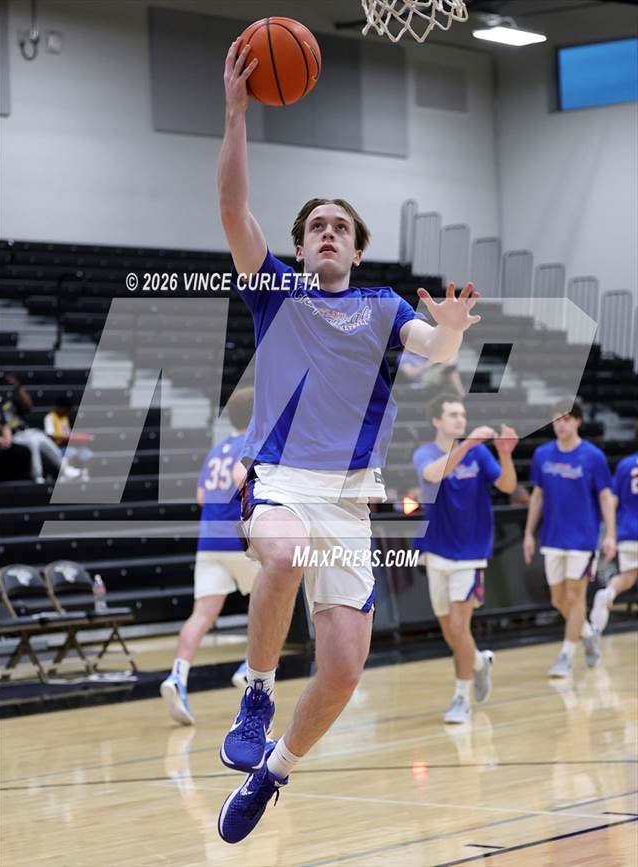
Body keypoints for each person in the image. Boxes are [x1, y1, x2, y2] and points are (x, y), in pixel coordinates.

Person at [214, 40, 482, 844]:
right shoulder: (277, 291)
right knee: (283, 552)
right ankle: (256, 690)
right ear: (300, 248)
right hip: (283, 481)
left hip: (351, 499)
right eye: (316, 226)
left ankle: (275, 772)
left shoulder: (383, 305)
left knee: (341, 671)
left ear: (357, 249)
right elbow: (233, 212)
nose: (327, 233)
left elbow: (432, 353)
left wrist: (454, 334)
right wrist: (236, 112)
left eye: (340, 227)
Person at [413, 394, 518, 724]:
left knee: (460, 627)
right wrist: (468, 443)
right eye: (453, 414)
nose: (460, 419)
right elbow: (433, 475)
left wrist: (504, 454)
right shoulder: (426, 453)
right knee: (451, 634)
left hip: (471, 554)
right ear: (436, 421)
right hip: (436, 551)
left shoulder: (479, 453)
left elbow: (508, 484)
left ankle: (461, 697)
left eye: (462, 414)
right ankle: (478, 662)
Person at [160, 387, 258, 725]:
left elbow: (202, 495)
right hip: (237, 539)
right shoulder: (250, 445)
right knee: (273, 598)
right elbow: (239, 479)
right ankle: (250, 666)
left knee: (202, 614)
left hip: (209, 540)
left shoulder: (218, 448)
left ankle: (177, 676)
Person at [523, 398, 616, 677]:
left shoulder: (593, 456)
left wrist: (610, 534)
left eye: (566, 419)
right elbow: (537, 495)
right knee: (557, 599)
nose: (560, 425)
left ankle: (566, 654)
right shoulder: (542, 455)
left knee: (576, 598)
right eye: (556, 419)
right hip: (552, 537)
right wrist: (529, 533)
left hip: (583, 539)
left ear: (577, 421)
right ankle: (587, 634)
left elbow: (605, 496)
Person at [590, 448, 637, 633]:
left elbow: (611, 500)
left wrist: (610, 533)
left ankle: (609, 592)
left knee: (628, 576)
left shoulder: (625, 464)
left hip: (627, 530)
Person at [0, 375, 79, 483]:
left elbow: (28, 406)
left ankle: (64, 469)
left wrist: (17, 386)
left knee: (41, 437)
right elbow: (4, 427)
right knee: (33, 442)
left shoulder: (8, 402)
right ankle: (37, 476)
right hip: (13, 437)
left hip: (25, 431)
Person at [44, 394, 94, 480]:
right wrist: (68, 438)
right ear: (59, 407)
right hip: (57, 447)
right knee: (72, 453)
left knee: (88, 454)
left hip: (69, 445)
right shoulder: (50, 417)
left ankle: (85, 474)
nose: (67, 412)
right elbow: (51, 436)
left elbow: (68, 434)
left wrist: (78, 438)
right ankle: (68, 476)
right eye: (66, 410)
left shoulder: (64, 418)